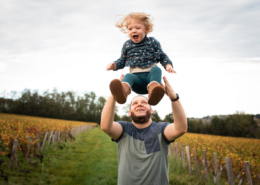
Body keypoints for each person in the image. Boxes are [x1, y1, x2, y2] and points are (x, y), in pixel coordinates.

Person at [101, 74, 187, 185]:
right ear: (129, 112)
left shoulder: (161, 129)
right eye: (135, 103)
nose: (139, 104)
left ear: (151, 111)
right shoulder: (123, 129)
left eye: (144, 103)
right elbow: (105, 126)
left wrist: (173, 97)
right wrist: (115, 94)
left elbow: (181, 128)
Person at [106, 12, 176, 106]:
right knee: (128, 76)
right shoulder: (127, 45)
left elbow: (162, 56)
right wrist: (114, 66)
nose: (133, 31)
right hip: (136, 81)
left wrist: (168, 65)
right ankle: (123, 92)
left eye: (137, 28)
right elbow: (121, 61)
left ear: (146, 29)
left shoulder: (153, 42)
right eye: (130, 29)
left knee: (156, 69)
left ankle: (154, 92)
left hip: (150, 78)